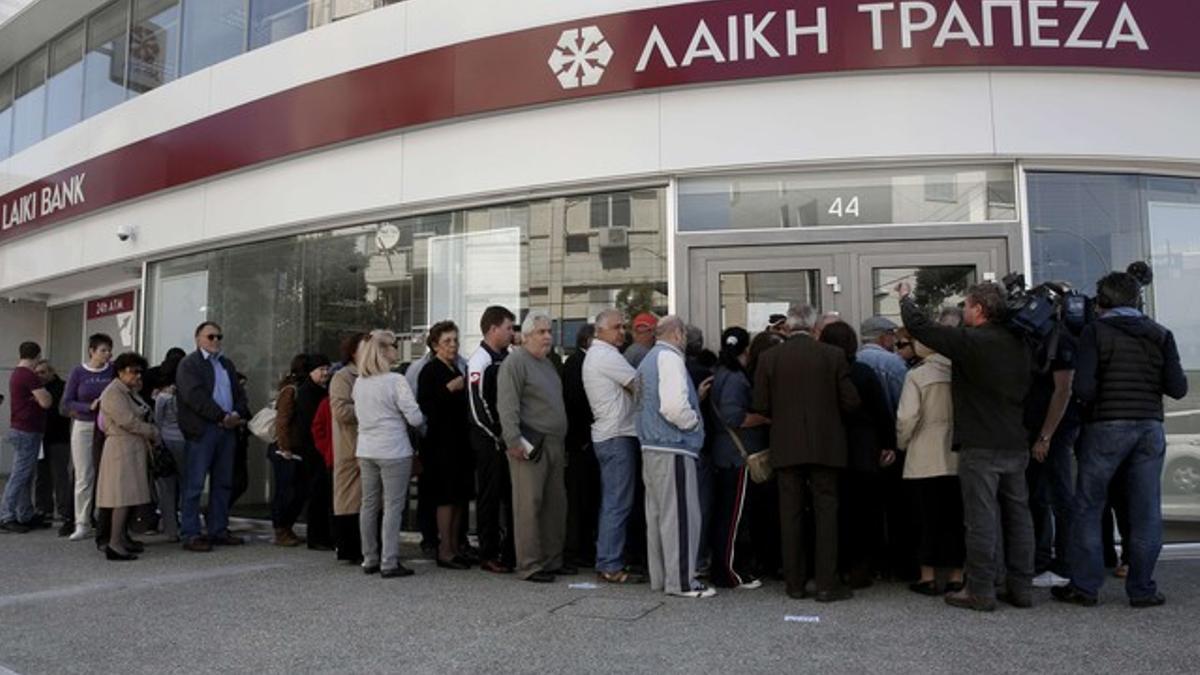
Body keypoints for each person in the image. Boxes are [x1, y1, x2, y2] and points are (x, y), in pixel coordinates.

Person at [1054, 271, 1188, 609]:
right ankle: (1142, 589)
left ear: (1102, 303)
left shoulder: (1094, 332)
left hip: (1106, 427)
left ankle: (1085, 587)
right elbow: (1178, 388)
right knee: (1145, 511)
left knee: (1088, 506)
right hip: (1149, 428)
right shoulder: (1161, 334)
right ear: (1137, 300)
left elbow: (1082, 388)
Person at [898, 281, 1034, 612]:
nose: (963, 312)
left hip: (980, 445)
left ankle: (981, 590)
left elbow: (920, 327)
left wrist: (905, 297)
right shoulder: (1021, 342)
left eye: (967, 306)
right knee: (1019, 516)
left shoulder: (971, 342)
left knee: (981, 519)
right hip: (1015, 441)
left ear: (978, 309)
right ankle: (1021, 588)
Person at [753, 306, 860, 602]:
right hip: (827, 444)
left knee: (791, 515)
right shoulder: (832, 356)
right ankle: (827, 584)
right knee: (827, 513)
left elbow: (760, 404)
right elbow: (851, 402)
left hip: (786, 445)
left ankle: (794, 584)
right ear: (815, 328)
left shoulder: (769, 357)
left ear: (788, 327)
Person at [636, 315, 715, 598]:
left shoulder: (647, 360)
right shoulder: (669, 359)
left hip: (650, 446)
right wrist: (693, 422)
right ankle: (682, 581)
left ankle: (663, 578)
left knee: (658, 517)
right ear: (679, 334)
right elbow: (673, 407)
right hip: (673, 447)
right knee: (680, 516)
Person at [820, 321, 898, 589]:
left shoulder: (822, 372)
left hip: (830, 447)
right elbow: (881, 410)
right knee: (867, 511)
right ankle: (863, 567)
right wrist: (888, 443)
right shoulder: (863, 372)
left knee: (835, 511)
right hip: (864, 447)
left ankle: (836, 566)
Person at [496, 313, 570, 583]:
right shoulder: (515, 362)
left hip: (554, 443)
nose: (547, 336)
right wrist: (513, 440)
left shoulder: (548, 364)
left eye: (549, 331)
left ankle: (552, 560)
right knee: (529, 505)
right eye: (540, 332)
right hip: (529, 445)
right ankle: (529, 564)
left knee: (555, 505)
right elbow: (507, 404)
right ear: (526, 336)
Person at [353, 330, 424, 578]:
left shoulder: (360, 382)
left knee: (369, 505)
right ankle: (389, 561)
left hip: (366, 449)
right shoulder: (396, 380)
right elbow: (414, 418)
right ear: (385, 351)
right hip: (394, 449)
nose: (397, 349)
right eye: (394, 346)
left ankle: (369, 557)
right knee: (393, 506)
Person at [895, 339, 965, 595]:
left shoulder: (917, 375)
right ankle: (958, 575)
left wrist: (902, 443)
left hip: (924, 453)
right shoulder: (960, 371)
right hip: (957, 453)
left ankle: (928, 576)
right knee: (956, 517)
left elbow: (907, 417)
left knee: (926, 518)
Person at [176, 321, 251, 552]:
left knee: (223, 483)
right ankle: (190, 533)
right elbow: (194, 396)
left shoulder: (226, 364)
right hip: (203, 430)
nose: (216, 341)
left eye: (219, 336)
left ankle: (218, 529)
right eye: (211, 337)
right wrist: (220, 416)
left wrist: (237, 413)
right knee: (195, 484)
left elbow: (239, 393)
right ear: (198, 339)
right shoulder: (190, 364)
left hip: (227, 430)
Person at [583, 309, 646, 584]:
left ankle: (610, 559)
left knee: (614, 501)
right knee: (617, 503)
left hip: (613, 434)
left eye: (623, 327)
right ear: (600, 331)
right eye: (617, 327)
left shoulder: (602, 355)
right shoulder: (606, 355)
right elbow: (640, 385)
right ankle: (609, 563)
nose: (622, 331)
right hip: (617, 435)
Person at [707, 326, 770, 590]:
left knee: (726, 515)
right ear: (746, 349)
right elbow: (734, 416)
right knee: (734, 518)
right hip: (738, 456)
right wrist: (765, 418)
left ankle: (725, 568)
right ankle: (731, 573)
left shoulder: (720, 373)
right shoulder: (734, 377)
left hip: (725, 455)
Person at [1023, 319, 1080, 588]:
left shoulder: (1062, 341)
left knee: (1060, 496)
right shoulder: (1034, 339)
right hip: (1036, 429)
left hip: (1055, 431)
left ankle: (1065, 562)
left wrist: (1045, 436)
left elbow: (1063, 390)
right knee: (1038, 497)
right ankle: (1041, 559)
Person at [417, 320, 476, 570]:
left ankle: (454, 545)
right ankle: (444, 549)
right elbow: (427, 407)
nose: (453, 346)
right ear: (435, 345)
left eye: (455, 340)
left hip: (459, 443)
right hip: (441, 446)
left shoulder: (456, 368)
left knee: (459, 497)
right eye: (447, 341)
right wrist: (449, 389)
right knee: (445, 497)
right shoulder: (430, 371)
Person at [468, 305, 518, 574]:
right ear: (493, 329)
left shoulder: (507, 356)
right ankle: (488, 553)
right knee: (490, 497)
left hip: (508, 439)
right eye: (508, 328)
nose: (512, 333)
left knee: (510, 497)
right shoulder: (480, 360)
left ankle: (510, 550)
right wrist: (496, 435)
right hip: (490, 442)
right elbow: (477, 405)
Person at [96, 353, 160, 561]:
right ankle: (114, 543)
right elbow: (127, 420)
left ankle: (121, 539)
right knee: (120, 497)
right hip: (120, 448)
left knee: (129, 497)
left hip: (132, 447)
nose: (137, 375)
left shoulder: (129, 391)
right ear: (120, 371)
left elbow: (141, 411)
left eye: (140, 371)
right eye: (133, 371)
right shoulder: (113, 392)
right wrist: (151, 431)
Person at [62, 333, 114, 541]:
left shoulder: (112, 370)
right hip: (84, 425)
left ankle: (104, 519)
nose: (107, 354)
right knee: (84, 475)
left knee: (107, 474)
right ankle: (82, 522)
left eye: (109, 350)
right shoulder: (78, 372)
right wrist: (88, 406)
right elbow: (67, 402)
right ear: (92, 351)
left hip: (108, 425)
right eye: (103, 350)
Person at [0, 342, 53, 533]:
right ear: (37, 356)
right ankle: (6, 515)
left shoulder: (17, 374)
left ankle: (25, 514)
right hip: (27, 429)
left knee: (25, 474)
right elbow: (46, 402)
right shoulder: (28, 375)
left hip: (21, 428)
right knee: (20, 475)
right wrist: (42, 394)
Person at [745, 331, 784, 579]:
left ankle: (761, 559)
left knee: (758, 509)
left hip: (757, 452)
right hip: (765, 451)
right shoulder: (766, 378)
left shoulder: (748, 376)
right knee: (770, 508)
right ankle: (770, 560)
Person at [562, 323, 600, 569]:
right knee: (581, 498)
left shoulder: (582, 362)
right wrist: (583, 439)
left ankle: (584, 547)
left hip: (585, 440)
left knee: (588, 498)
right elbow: (575, 401)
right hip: (581, 442)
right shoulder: (578, 364)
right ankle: (578, 549)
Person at [329, 333, 367, 564]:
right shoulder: (343, 377)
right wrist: (369, 408)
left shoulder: (372, 375)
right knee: (348, 498)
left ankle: (366, 546)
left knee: (368, 499)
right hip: (349, 445)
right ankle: (348, 547)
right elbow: (341, 411)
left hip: (368, 446)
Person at [34, 361, 73, 534]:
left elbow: (59, 410)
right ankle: (44, 508)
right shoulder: (37, 388)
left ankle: (64, 510)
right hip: (42, 437)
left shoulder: (62, 387)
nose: (39, 376)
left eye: (42, 372)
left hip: (58, 437)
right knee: (42, 475)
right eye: (37, 372)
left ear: (51, 372)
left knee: (60, 475)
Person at [152, 352, 186, 542]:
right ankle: (185, 522)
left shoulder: (163, 396)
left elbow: (158, 421)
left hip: (165, 441)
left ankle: (170, 527)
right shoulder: (185, 393)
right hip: (185, 442)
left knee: (166, 487)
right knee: (185, 484)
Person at [857, 317, 907, 414]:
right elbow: (904, 399)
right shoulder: (893, 362)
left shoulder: (855, 359)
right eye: (892, 334)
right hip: (889, 423)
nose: (895, 340)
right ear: (883, 337)